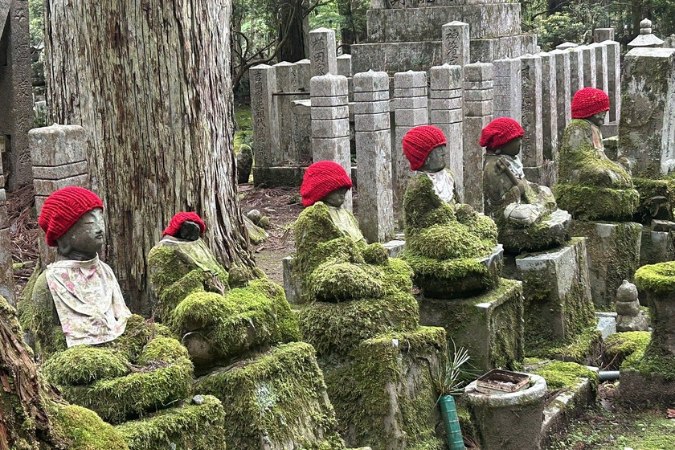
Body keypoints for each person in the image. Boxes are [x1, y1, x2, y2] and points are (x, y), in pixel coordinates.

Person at [293, 160, 412, 303]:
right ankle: (377, 288)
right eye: (337, 188)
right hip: (333, 267)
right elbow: (311, 256)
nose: (343, 193)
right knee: (342, 277)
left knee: (400, 268)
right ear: (323, 189)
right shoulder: (312, 216)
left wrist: (370, 252)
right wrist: (344, 247)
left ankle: (379, 288)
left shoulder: (346, 214)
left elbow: (361, 245)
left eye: (344, 189)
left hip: (360, 264)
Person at [401, 126, 499, 297]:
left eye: (443, 149)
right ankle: (471, 254)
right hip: (430, 231)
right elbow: (417, 222)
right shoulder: (419, 186)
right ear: (425, 157)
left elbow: (456, 202)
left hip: (453, 223)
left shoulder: (448, 176)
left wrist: (462, 211)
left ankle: (476, 250)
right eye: (438, 151)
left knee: (485, 225)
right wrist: (443, 215)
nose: (443, 153)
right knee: (447, 241)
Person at [33, 186, 131, 349]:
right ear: (64, 235)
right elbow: (46, 342)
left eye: (100, 219)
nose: (100, 228)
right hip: (79, 362)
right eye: (90, 222)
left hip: (118, 350)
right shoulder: (49, 283)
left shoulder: (105, 271)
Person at [481, 117, 569, 252]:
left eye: (520, 139)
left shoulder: (511, 160)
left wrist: (530, 187)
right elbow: (497, 201)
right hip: (505, 213)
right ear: (501, 144)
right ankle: (537, 212)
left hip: (522, 200)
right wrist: (518, 190)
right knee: (524, 216)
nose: (520, 143)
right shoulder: (493, 167)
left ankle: (539, 209)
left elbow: (523, 182)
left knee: (545, 191)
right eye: (516, 140)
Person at [555, 87, 639, 220]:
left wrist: (615, 166)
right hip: (578, 172)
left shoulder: (595, 129)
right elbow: (578, 158)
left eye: (604, 112)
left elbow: (601, 156)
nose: (603, 115)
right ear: (588, 110)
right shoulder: (576, 128)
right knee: (602, 174)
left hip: (594, 164)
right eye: (599, 112)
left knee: (624, 166)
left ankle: (615, 177)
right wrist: (605, 167)